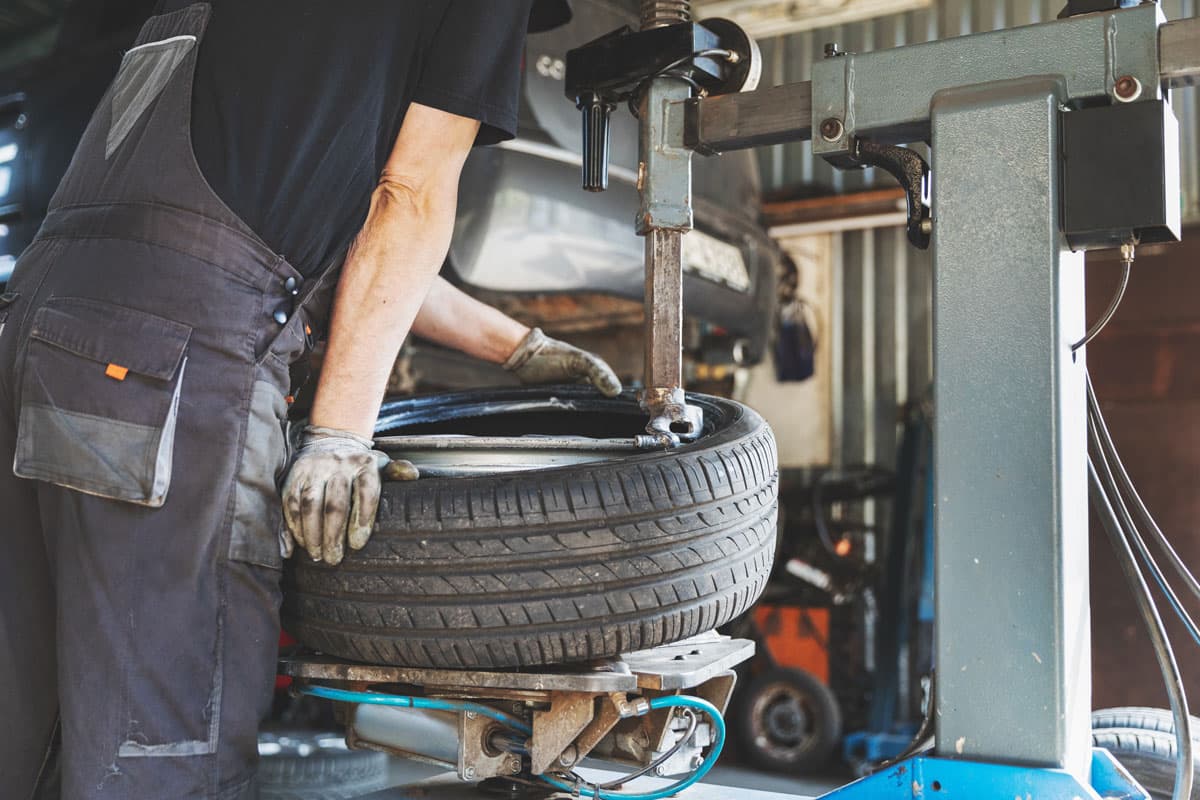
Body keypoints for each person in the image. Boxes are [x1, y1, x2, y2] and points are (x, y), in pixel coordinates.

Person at [0, 1, 623, 797]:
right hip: (173, 365)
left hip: (40, 330)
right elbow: (410, 199)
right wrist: (338, 435)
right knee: (162, 740)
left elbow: (278, 235)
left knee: (31, 717)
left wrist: (517, 347)